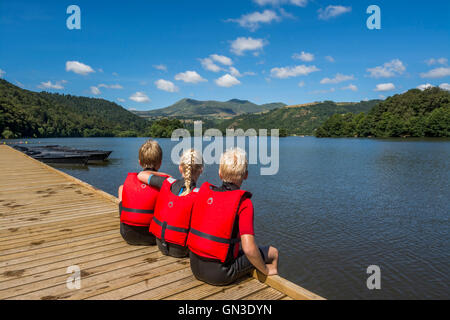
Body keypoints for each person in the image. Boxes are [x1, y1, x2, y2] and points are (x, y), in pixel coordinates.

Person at [186, 148, 279, 286]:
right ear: (246, 175)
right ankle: (271, 279)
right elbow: (248, 248)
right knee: (273, 252)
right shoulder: (244, 203)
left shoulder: (205, 193)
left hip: (195, 267)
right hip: (220, 274)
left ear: (219, 173)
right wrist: (264, 268)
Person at [137, 149, 203, 258]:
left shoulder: (166, 183)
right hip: (181, 250)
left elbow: (141, 175)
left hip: (160, 244)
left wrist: (162, 174)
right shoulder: (201, 195)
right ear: (201, 170)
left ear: (180, 168)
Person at [118, 139, 168, 246]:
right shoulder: (163, 184)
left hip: (127, 235)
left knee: (121, 188)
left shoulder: (130, 182)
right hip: (153, 237)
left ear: (139, 162)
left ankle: (126, 222)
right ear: (160, 164)